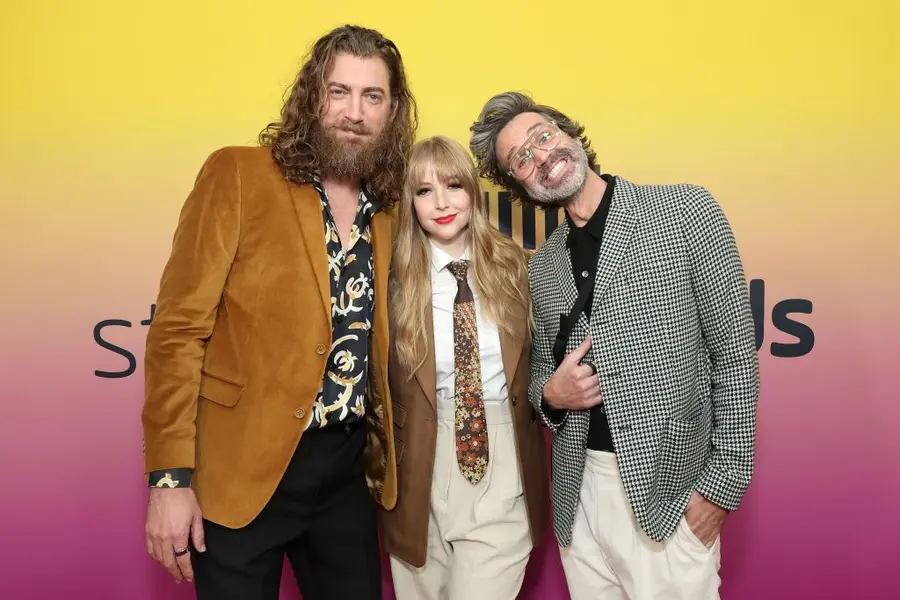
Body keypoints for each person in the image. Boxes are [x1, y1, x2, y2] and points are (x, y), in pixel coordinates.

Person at [140, 24, 418, 600]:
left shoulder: (390, 209)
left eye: (372, 96)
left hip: (343, 474)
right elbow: (177, 332)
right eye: (339, 92)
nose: (354, 112)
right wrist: (169, 480)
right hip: (239, 471)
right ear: (313, 95)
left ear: (392, 112)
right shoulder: (238, 174)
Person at [468, 92, 760, 599]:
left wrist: (721, 487)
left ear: (569, 133)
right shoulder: (543, 267)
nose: (542, 156)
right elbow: (538, 378)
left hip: (668, 495)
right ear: (520, 184)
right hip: (579, 501)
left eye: (543, 136)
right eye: (522, 159)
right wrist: (550, 395)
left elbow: (734, 354)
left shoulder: (684, 211)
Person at [379, 135, 549, 599]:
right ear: (410, 202)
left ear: (473, 190)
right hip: (418, 473)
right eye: (424, 190)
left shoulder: (518, 268)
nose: (441, 203)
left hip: (502, 463)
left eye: (453, 185)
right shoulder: (391, 280)